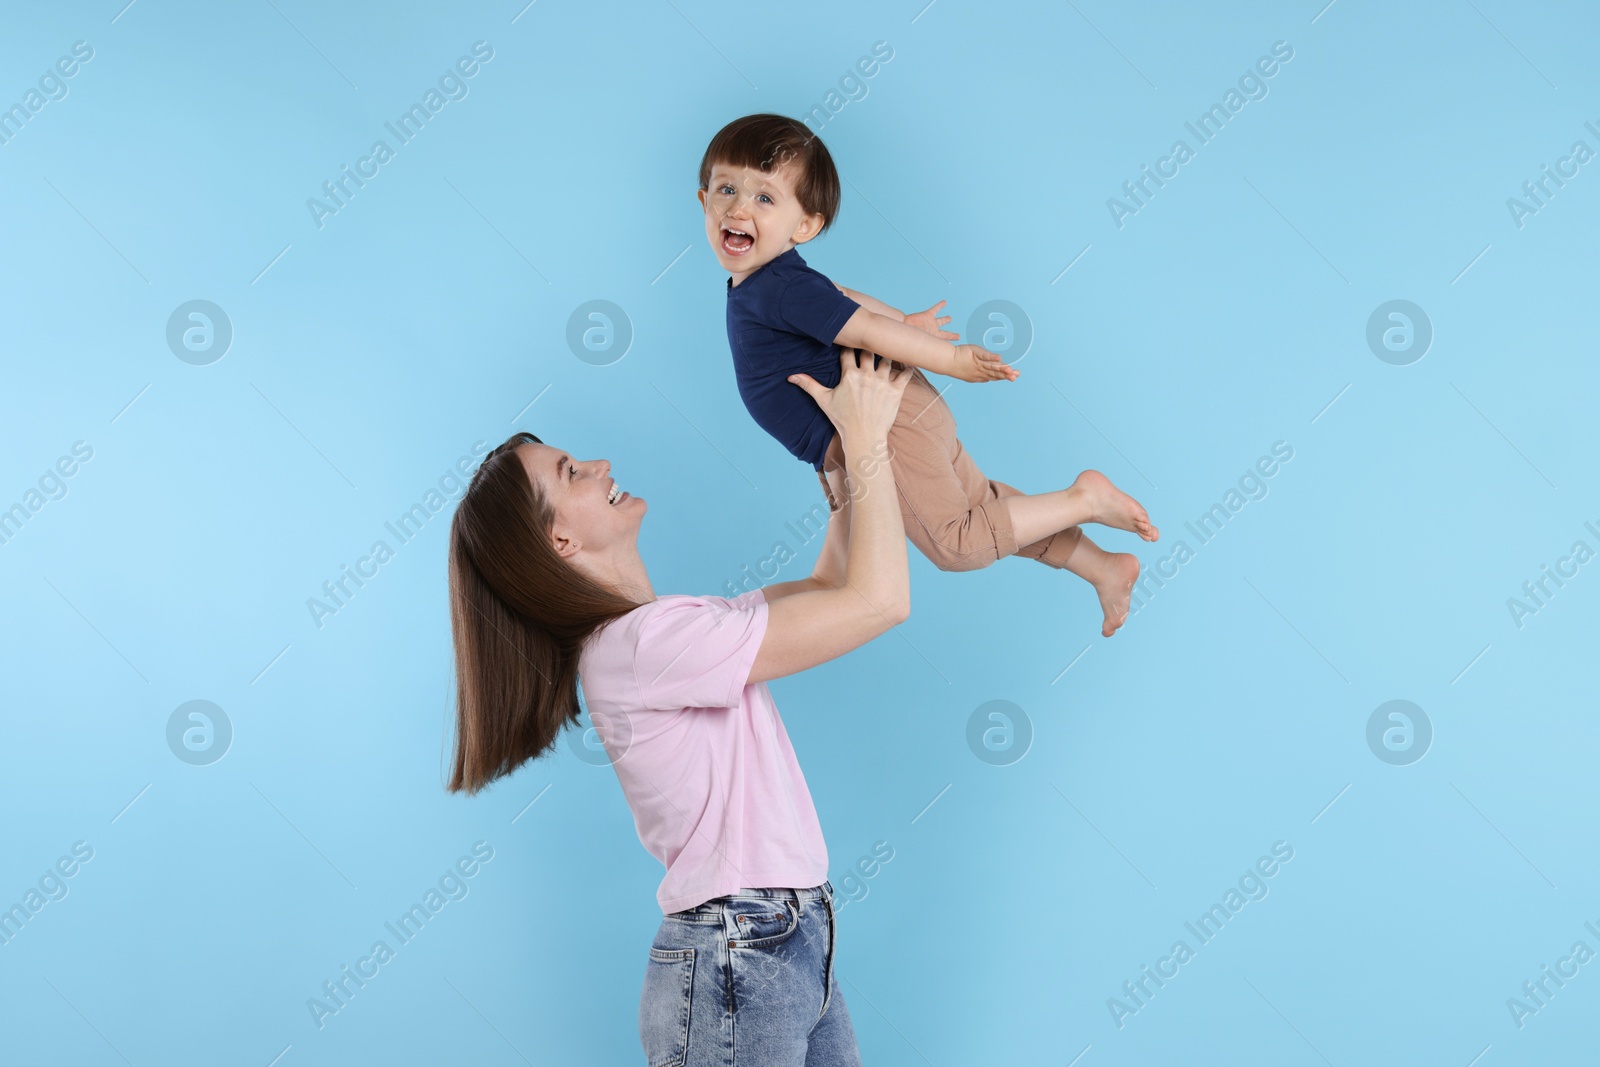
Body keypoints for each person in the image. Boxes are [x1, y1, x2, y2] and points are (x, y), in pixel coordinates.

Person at [446, 348, 914, 1065]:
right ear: (559, 540)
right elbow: (879, 600)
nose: (599, 464)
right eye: (571, 472)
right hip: (741, 952)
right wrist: (870, 442)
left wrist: (842, 455)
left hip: (783, 938)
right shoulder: (645, 644)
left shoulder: (664, 629)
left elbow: (833, 583)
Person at [698, 112, 1161, 637]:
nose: (738, 207)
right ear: (703, 199)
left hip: (889, 428)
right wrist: (906, 322)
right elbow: (846, 299)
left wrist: (954, 361)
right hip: (896, 419)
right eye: (726, 188)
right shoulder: (773, 279)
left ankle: (1085, 499)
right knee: (979, 507)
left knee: (958, 544)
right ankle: (1100, 565)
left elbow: (865, 330)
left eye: (764, 198)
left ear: (804, 225)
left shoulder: (775, 286)